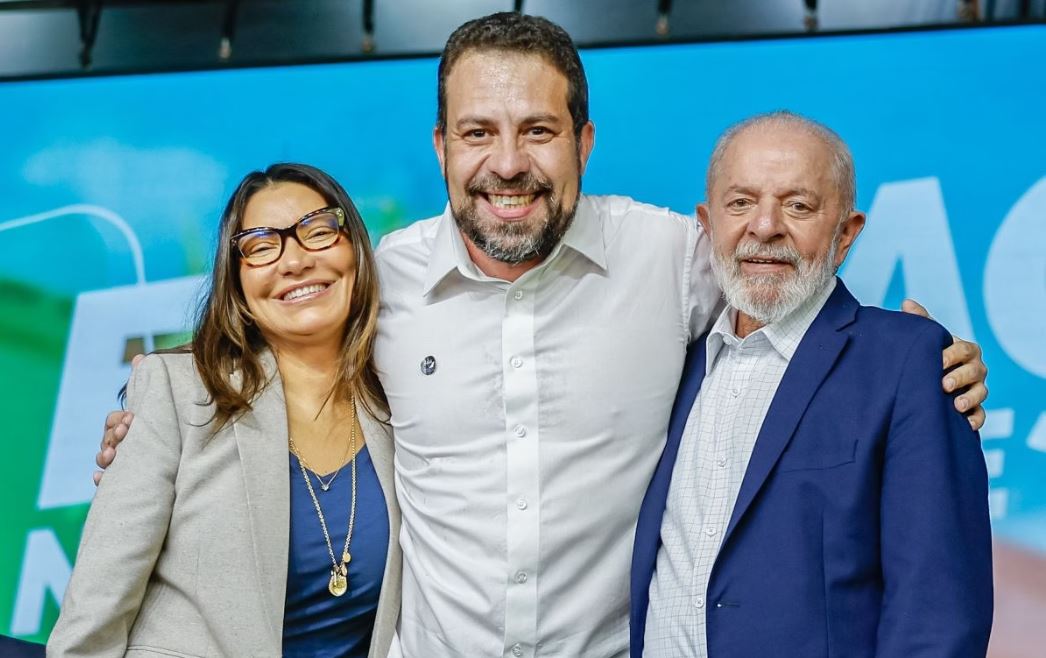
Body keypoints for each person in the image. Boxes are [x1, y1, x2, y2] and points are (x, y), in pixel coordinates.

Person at [96, 13, 989, 657]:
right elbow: (269, 363)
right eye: (479, 132)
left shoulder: (669, 257)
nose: (509, 163)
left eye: (538, 131)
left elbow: (783, 283)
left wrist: (914, 366)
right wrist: (150, 435)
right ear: (442, 145)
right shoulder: (382, 283)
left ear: (584, 142)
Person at [631, 112, 994, 657]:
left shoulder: (907, 361)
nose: (764, 226)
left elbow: (938, 611)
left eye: (798, 205)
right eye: (740, 203)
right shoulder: (670, 361)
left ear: (846, 233)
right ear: (707, 224)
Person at [51, 164, 401, 657]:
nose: (295, 261)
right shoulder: (178, 392)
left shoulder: (404, 399)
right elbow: (95, 613)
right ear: (236, 284)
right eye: (261, 245)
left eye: (318, 231)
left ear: (355, 249)